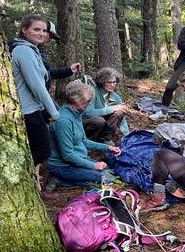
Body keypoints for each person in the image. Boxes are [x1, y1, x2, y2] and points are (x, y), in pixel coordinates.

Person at [10, 14, 60, 191]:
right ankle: (33, 186)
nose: (41, 33)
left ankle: (35, 182)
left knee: (38, 151)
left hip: (34, 107)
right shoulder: (23, 51)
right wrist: (53, 111)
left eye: (44, 30)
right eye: (36, 29)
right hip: (28, 109)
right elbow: (36, 85)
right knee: (40, 151)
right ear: (24, 30)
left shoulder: (32, 50)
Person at [47, 80, 121, 188]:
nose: (90, 103)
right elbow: (67, 155)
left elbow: (83, 141)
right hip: (63, 166)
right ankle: (60, 180)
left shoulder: (77, 114)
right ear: (75, 99)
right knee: (106, 179)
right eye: (88, 100)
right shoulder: (63, 121)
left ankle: (64, 179)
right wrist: (94, 165)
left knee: (110, 172)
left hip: (76, 161)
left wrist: (107, 147)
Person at [83, 67, 130, 144]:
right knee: (99, 121)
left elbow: (122, 121)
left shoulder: (116, 97)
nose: (112, 85)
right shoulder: (92, 92)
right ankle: (89, 144)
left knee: (120, 112)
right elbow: (89, 113)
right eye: (109, 82)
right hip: (88, 125)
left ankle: (106, 140)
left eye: (114, 82)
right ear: (102, 82)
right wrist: (113, 108)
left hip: (105, 129)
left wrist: (127, 135)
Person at [39, 20, 81, 91]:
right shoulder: (27, 50)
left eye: (52, 38)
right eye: (50, 36)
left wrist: (69, 70)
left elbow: (48, 73)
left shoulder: (40, 50)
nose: (50, 40)